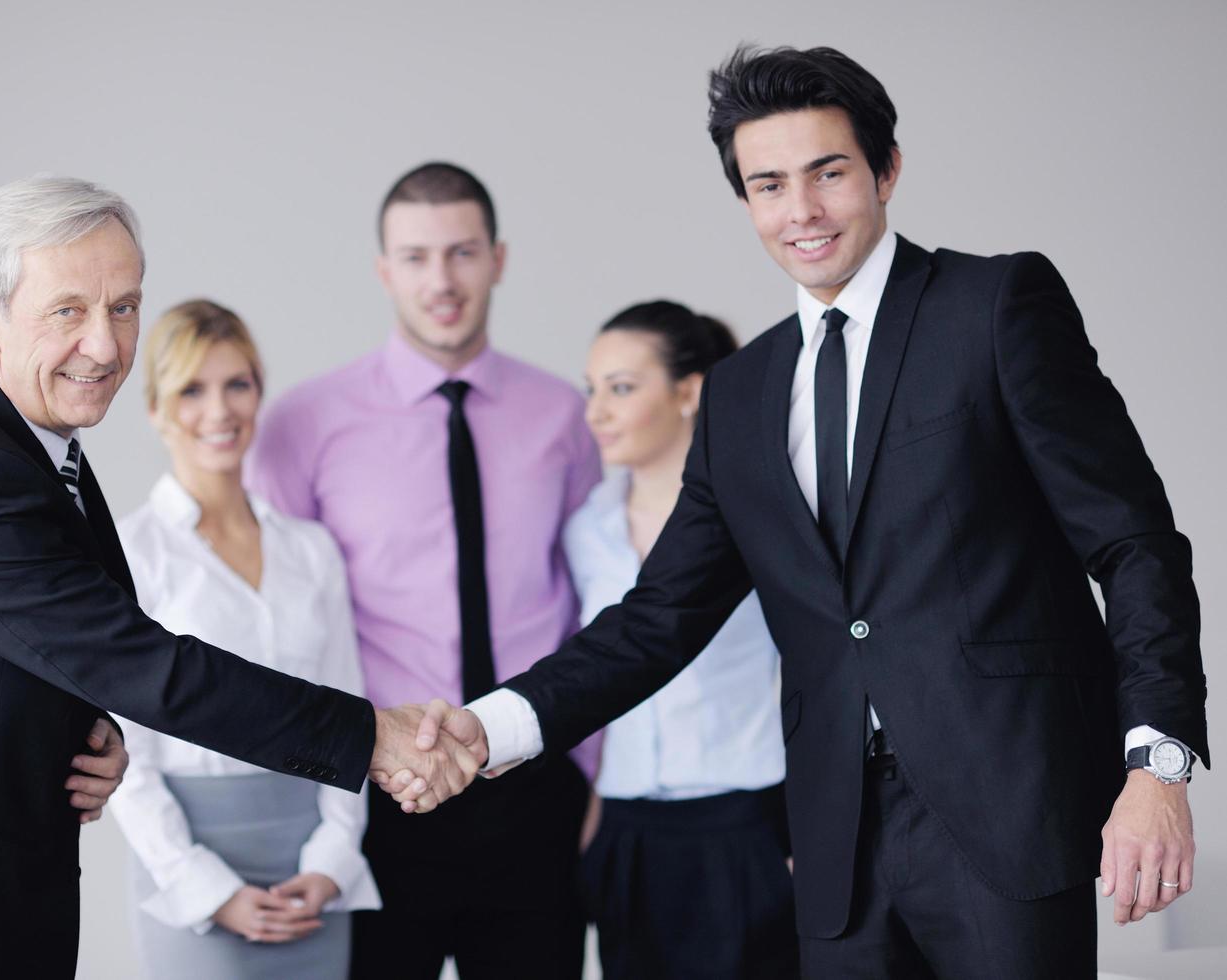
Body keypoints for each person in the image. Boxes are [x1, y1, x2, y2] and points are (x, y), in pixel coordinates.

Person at [407, 47, 1210, 977]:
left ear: (885, 168)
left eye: (827, 172)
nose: (801, 212)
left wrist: (1156, 767)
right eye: (768, 184)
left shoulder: (992, 308)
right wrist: (500, 723)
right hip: (831, 838)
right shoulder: (740, 395)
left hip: (1005, 813)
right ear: (744, 200)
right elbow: (658, 615)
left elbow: (1133, 541)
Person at [0, 175, 477, 980]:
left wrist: (80, 734)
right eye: (68, 309)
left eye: (123, 306)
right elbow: (144, 664)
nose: (106, 347)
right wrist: (370, 735)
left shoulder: (25, 445)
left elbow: (31, 648)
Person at [248, 162, 603, 979]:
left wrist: (592, 776)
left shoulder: (563, 416)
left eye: (461, 252)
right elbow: (281, 618)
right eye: (415, 257)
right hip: (379, 789)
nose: (440, 280)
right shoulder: (304, 424)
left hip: (532, 786)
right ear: (384, 271)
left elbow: (599, 600)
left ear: (498, 259)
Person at [109, 299, 379, 979]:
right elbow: (125, 753)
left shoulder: (311, 550)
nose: (219, 410)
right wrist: (207, 887)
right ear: (155, 408)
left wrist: (331, 861)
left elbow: (347, 712)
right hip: (189, 863)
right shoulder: (129, 552)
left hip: (310, 863)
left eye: (238, 384)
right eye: (192, 389)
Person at [570, 300, 796, 978]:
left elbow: (822, 668)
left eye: (621, 388)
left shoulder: (760, 516)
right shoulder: (587, 529)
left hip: (746, 823)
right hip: (627, 828)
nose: (596, 412)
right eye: (591, 390)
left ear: (689, 391)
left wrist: (805, 831)